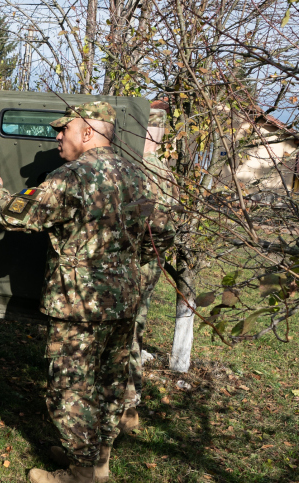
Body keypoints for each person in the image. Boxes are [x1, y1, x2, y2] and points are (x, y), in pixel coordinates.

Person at [0, 101, 174, 483]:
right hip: (123, 302)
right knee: (110, 383)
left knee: (71, 388)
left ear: (88, 133)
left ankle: (81, 473)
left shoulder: (75, 176)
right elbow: (161, 235)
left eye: (65, 129)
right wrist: (127, 269)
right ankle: (99, 462)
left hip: (79, 305)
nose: (58, 136)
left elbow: (18, 214)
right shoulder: (139, 174)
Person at [120, 105, 179, 432]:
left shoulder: (143, 171)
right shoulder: (165, 172)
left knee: (124, 335)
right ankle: (130, 408)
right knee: (134, 331)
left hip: (136, 266)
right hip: (149, 265)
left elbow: (155, 230)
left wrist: (132, 257)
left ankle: (126, 409)